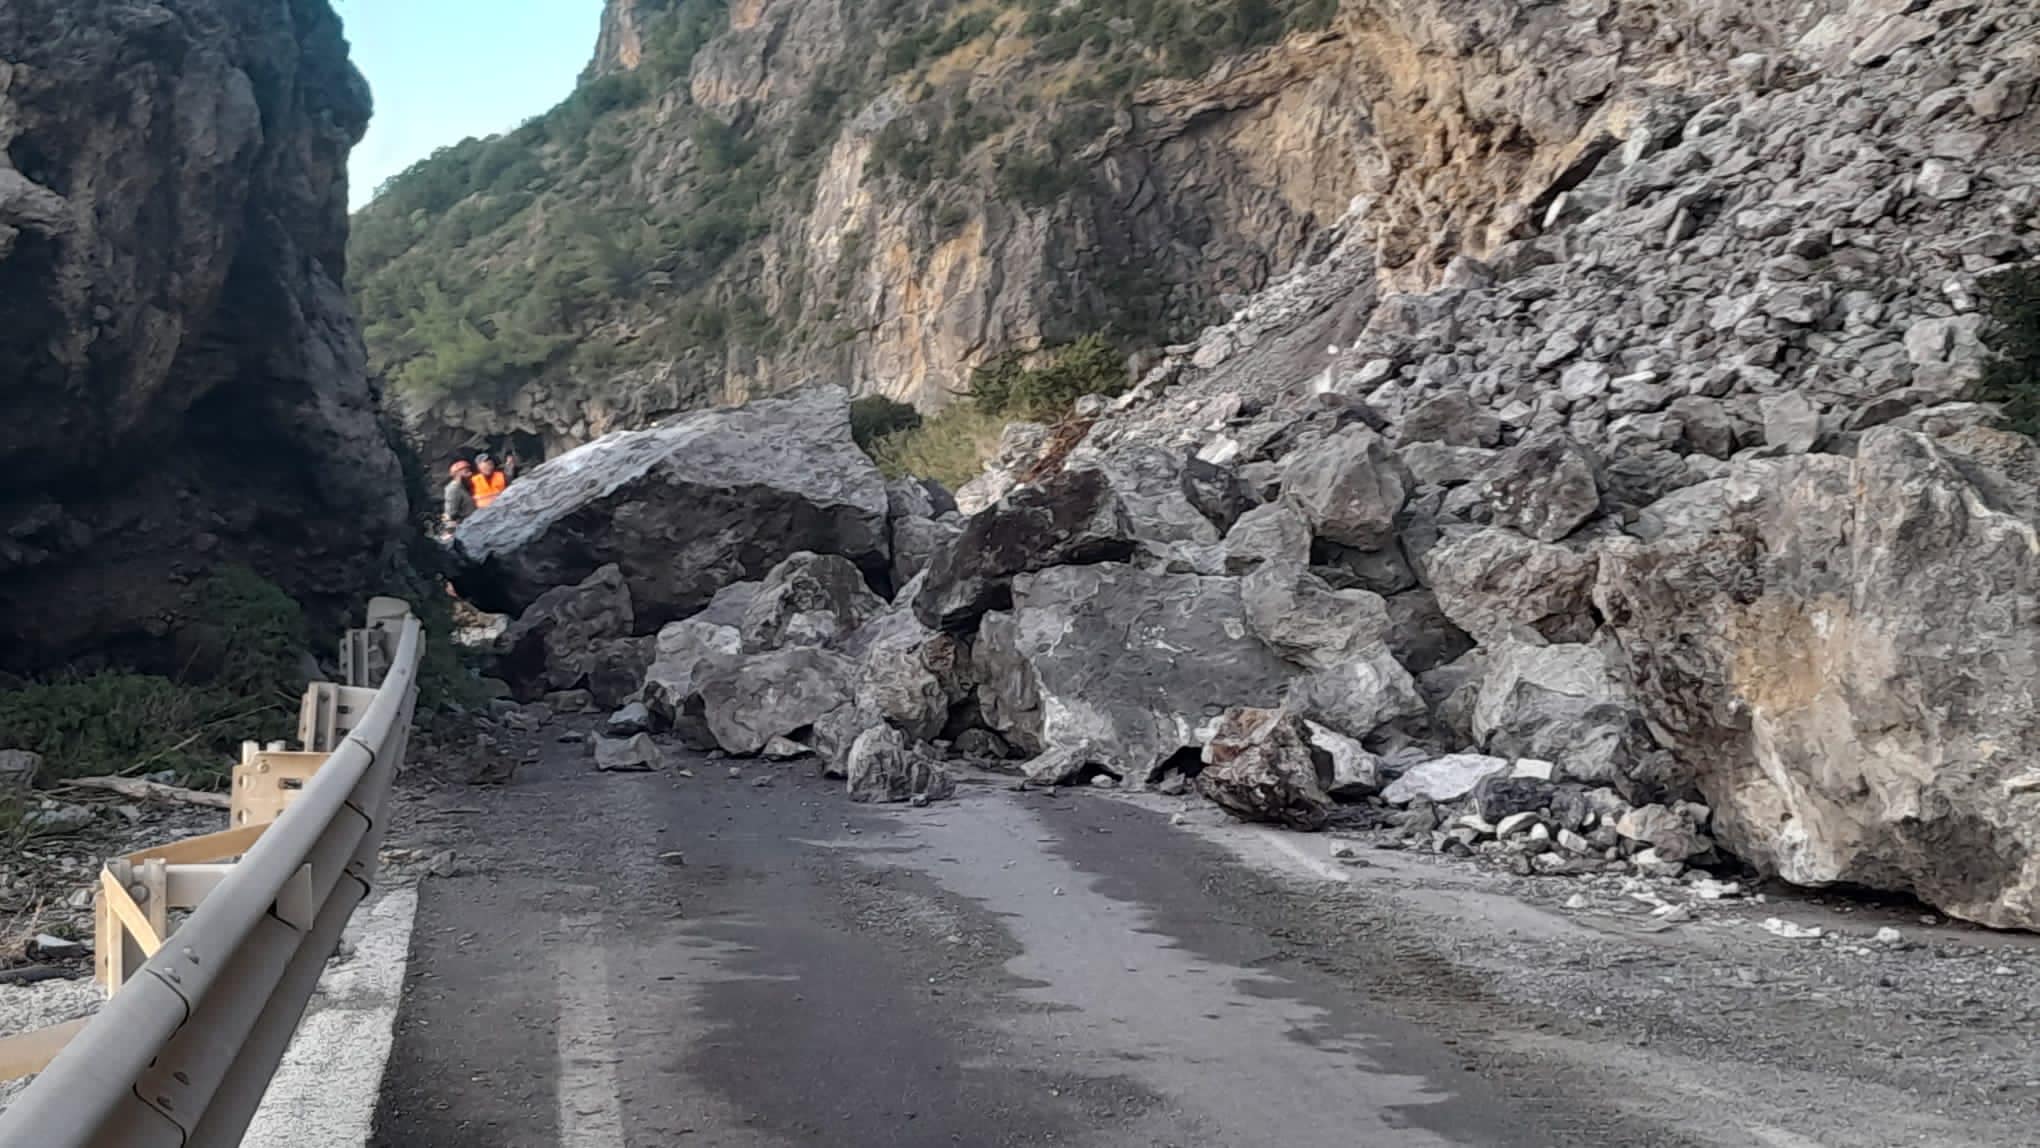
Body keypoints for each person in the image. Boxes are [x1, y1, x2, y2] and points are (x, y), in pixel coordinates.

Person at [442, 460, 476, 529]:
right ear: (457, 473)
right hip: (465, 527)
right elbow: (450, 513)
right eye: (466, 471)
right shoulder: (453, 489)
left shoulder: (464, 487)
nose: (470, 474)